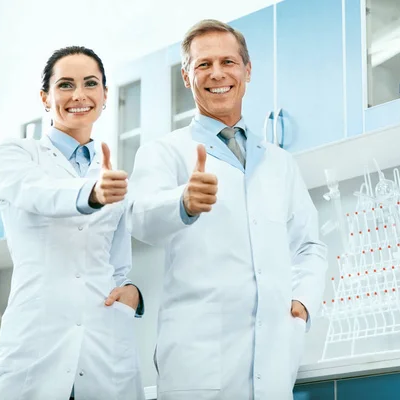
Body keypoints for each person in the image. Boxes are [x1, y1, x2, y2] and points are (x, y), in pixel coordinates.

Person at [127, 20, 327, 400]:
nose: (217, 73)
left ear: (247, 71)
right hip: (197, 367)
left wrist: (302, 300)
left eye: (228, 62)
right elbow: (139, 217)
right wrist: (183, 202)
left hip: (271, 365)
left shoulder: (279, 162)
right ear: (187, 76)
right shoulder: (164, 152)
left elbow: (310, 246)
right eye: (203, 65)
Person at [0, 46, 145, 400]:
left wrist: (132, 293)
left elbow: (118, 264)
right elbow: (38, 193)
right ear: (45, 97)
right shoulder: (16, 155)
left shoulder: (112, 175)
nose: (78, 95)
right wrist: (92, 193)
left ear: (105, 96)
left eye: (91, 84)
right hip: (35, 348)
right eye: (65, 85)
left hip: (105, 354)